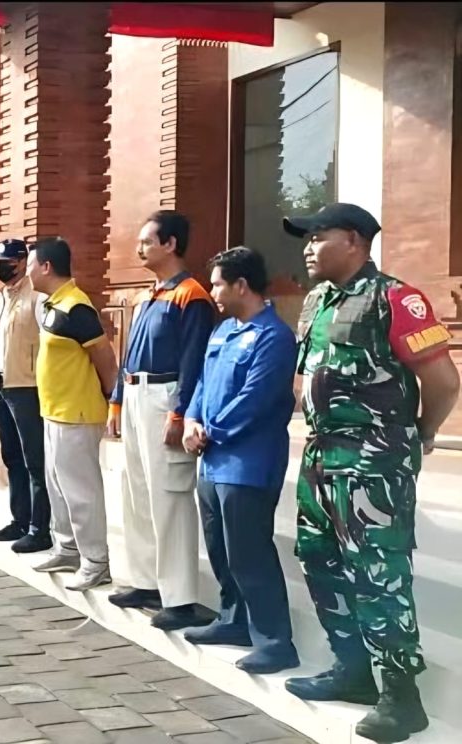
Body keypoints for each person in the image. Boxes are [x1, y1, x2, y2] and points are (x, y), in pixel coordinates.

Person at [282, 203, 460, 743]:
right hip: (321, 460)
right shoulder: (316, 301)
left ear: (356, 240)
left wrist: (420, 432)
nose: (308, 247)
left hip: (374, 464)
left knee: (380, 575)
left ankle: (402, 697)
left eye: (319, 236)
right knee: (320, 561)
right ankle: (353, 670)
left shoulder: (396, 299)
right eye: (306, 238)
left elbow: (443, 381)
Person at [182, 248, 299, 674]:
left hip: (248, 462)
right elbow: (203, 382)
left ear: (241, 285)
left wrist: (210, 430)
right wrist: (191, 420)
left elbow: (256, 398)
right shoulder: (223, 331)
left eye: (217, 284)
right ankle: (234, 619)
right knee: (220, 546)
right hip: (213, 460)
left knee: (250, 551)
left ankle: (275, 641)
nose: (212, 292)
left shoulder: (273, 337)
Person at [107, 210, 215, 631]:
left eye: (147, 241)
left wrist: (180, 412)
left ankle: (180, 595)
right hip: (136, 393)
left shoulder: (192, 295)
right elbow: (128, 353)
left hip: (164, 394)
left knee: (168, 495)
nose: (139, 249)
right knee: (136, 491)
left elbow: (194, 360)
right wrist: (117, 401)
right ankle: (145, 581)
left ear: (170, 244)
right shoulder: (147, 297)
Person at [28, 237, 118, 591]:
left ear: (46, 266)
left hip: (77, 414)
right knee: (57, 486)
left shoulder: (76, 308)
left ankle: (96, 562)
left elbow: (105, 359)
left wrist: (113, 400)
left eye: (31, 265)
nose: (27, 272)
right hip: (54, 412)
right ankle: (67, 548)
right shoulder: (53, 305)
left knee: (81, 491)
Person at [0, 239, 51, 553]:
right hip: (1, 385)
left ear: (23, 262)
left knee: (34, 459)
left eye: (6, 262)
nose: (0, 267)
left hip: (28, 387)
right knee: (12, 458)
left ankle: (40, 528)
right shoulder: (0, 297)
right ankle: (20, 521)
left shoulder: (38, 297)